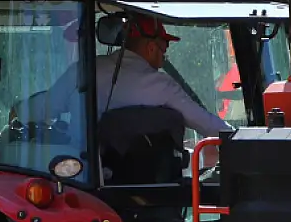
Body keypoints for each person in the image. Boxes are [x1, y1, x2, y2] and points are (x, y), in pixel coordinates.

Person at [95, 14, 233, 152]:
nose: (164, 59)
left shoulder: (85, 69)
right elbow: (206, 124)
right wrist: (238, 137)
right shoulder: (160, 85)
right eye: (164, 49)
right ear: (151, 48)